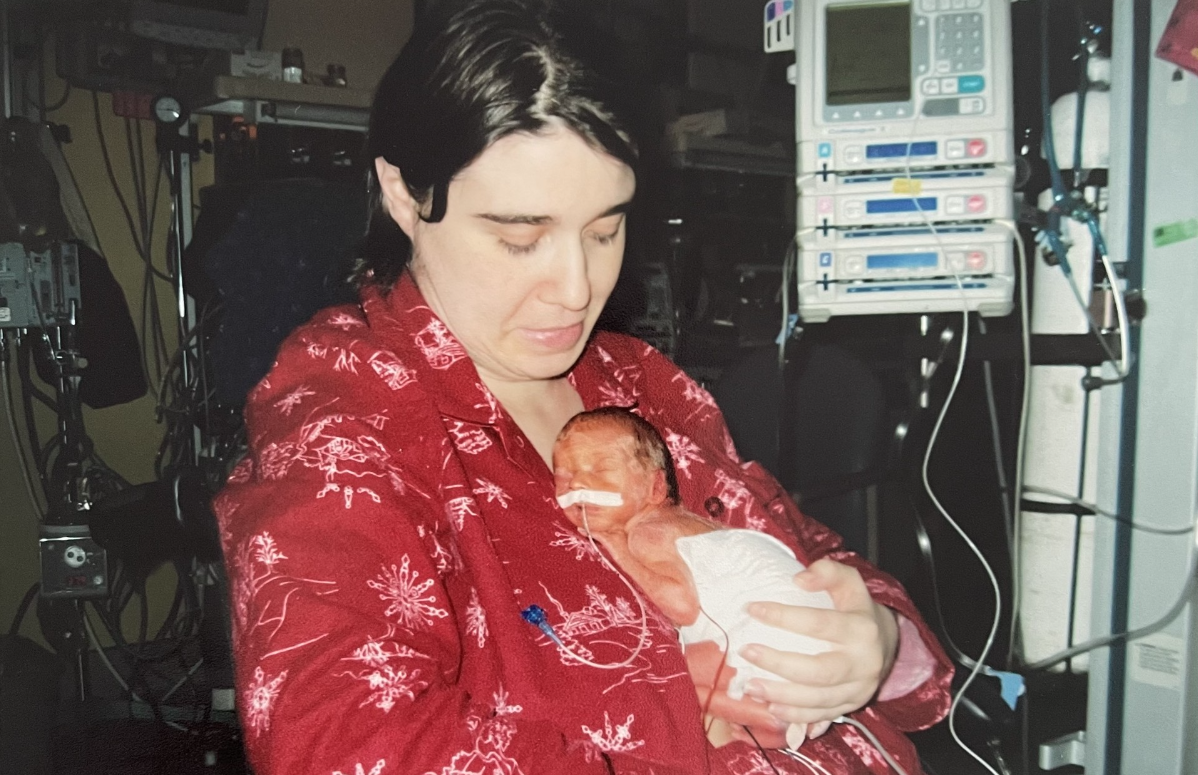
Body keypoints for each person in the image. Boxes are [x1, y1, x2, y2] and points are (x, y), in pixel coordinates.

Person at [212, 1, 953, 773]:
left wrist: (877, 644)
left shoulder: (637, 382)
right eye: (520, 237)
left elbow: (831, 576)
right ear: (404, 194)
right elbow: (341, 743)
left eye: (605, 229)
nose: (576, 289)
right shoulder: (347, 419)